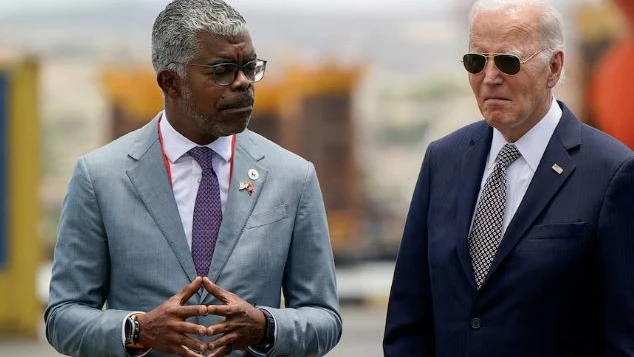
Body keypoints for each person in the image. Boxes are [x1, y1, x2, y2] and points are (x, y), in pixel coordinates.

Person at [44, 1, 342, 356]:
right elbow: (63, 317)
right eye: (223, 71)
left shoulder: (293, 177)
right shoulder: (99, 177)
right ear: (171, 82)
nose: (244, 83)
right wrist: (138, 329)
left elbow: (325, 318)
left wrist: (265, 327)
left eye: (249, 67)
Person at [384, 0, 634, 356]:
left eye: (508, 62)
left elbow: (625, 338)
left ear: (554, 67)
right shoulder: (442, 160)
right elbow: (409, 319)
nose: (490, 77)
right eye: (476, 61)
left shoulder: (613, 173)